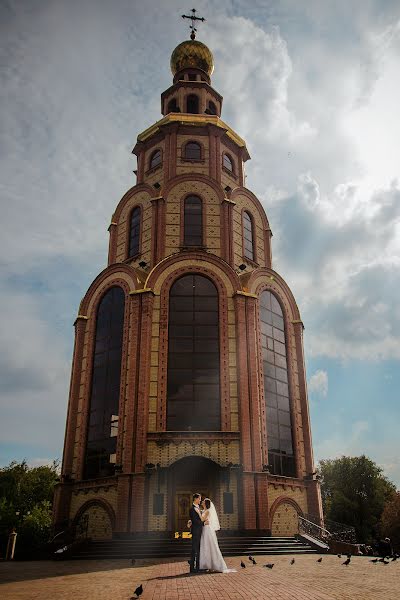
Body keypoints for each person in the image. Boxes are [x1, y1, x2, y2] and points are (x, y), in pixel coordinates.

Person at [199, 498, 236, 573]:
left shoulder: (207, 511)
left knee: (210, 546)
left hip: (207, 530)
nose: (202, 502)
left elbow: (202, 519)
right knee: (206, 546)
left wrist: (197, 515)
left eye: (203, 502)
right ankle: (208, 565)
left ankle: (214, 565)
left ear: (206, 504)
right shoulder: (203, 511)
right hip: (204, 529)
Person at [188, 493, 203, 572]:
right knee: (194, 549)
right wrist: (203, 523)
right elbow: (195, 521)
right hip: (196, 532)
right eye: (199, 498)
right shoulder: (192, 509)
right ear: (196, 499)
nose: (200, 500)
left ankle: (198, 566)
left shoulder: (199, 508)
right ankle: (193, 568)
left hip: (200, 531)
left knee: (198, 549)